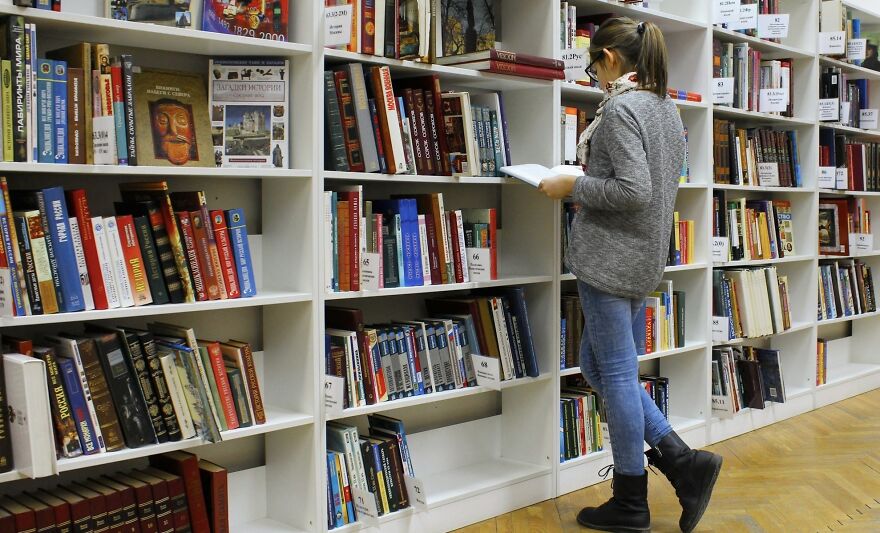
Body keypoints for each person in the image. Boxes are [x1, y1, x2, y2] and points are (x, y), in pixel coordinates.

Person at [539, 17, 723, 533]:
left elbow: (632, 191)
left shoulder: (620, 109)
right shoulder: (664, 107)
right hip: (642, 256)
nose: (594, 75)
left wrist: (571, 185)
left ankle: (631, 499)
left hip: (610, 258)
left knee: (615, 374)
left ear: (611, 60)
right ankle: (681, 460)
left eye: (593, 64)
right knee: (596, 365)